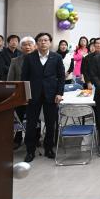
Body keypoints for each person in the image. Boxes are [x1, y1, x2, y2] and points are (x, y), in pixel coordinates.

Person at [21, 32, 65, 162]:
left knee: (51, 123)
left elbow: (61, 77)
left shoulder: (56, 57)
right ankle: (30, 151)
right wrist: (26, 94)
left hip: (51, 94)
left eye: (46, 40)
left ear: (50, 43)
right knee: (31, 123)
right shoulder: (29, 58)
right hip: (33, 95)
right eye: (40, 40)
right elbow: (24, 77)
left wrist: (59, 93)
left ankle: (49, 148)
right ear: (37, 43)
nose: (43, 42)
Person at [8, 36, 36, 149]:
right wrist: (13, 95)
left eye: (30, 44)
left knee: (35, 117)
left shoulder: (40, 60)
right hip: (20, 95)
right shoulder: (15, 61)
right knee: (18, 117)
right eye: (24, 45)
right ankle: (18, 138)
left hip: (35, 94)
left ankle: (36, 137)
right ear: (21, 47)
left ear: (34, 46)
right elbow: (10, 80)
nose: (27, 47)